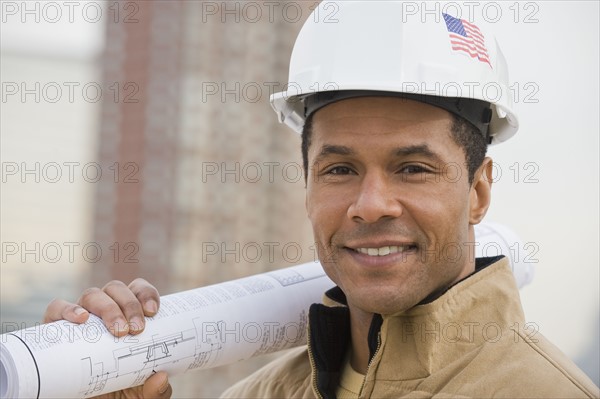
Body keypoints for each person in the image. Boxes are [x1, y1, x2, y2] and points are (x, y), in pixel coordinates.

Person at [45, 2, 599, 398]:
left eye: (412, 168)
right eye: (340, 169)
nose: (371, 204)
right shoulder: (266, 392)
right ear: (307, 187)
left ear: (478, 191)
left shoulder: (539, 391)